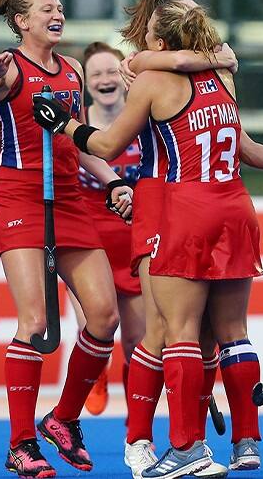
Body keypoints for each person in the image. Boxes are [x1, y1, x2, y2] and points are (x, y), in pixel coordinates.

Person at [32, 0, 263, 479]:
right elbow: (241, 142)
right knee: (229, 333)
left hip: (180, 208)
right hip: (234, 206)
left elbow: (106, 145)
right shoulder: (222, 74)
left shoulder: (151, 77)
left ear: (158, 39)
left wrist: (63, 123)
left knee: (172, 333)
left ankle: (185, 447)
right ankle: (244, 441)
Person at [0, 0, 131, 478]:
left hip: (69, 198)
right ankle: (20, 443)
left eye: (60, 7)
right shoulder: (7, 67)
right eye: (47, 8)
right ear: (22, 21)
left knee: (104, 316)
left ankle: (63, 419)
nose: (57, 14)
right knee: (34, 322)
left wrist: (113, 181)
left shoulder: (71, 70)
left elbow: (80, 143)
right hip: (20, 197)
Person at [67, 41, 145, 417]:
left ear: (125, 76)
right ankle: (96, 370)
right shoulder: (75, 125)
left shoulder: (144, 118)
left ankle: (137, 427)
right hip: (87, 239)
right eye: (95, 74)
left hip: (134, 239)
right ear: (85, 83)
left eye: (111, 71)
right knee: (94, 328)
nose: (104, 79)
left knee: (137, 343)